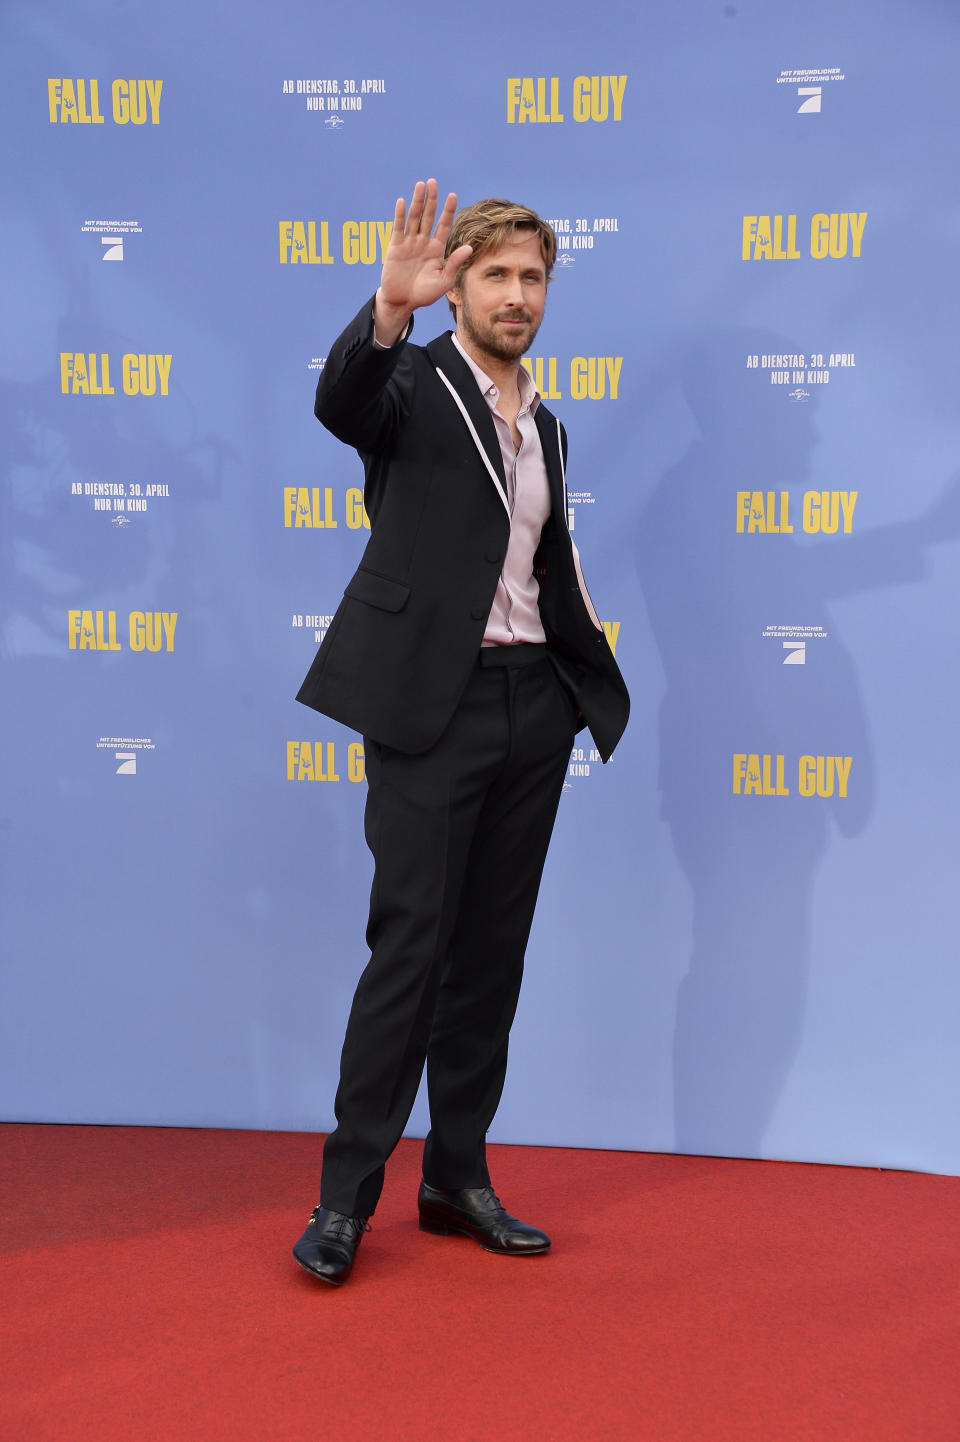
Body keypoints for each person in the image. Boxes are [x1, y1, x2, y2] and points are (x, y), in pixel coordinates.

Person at [292, 179, 629, 1284]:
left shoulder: (550, 426)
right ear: (458, 291)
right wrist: (385, 310)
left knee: (490, 957)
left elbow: (539, 566)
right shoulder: (411, 388)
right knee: (412, 950)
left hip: (531, 706)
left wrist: (580, 687)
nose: (517, 294)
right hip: (429, 707)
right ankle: (345, 1200)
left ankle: (456, 1177)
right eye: (496, 275)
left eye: (533, 277)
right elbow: (343, 406)